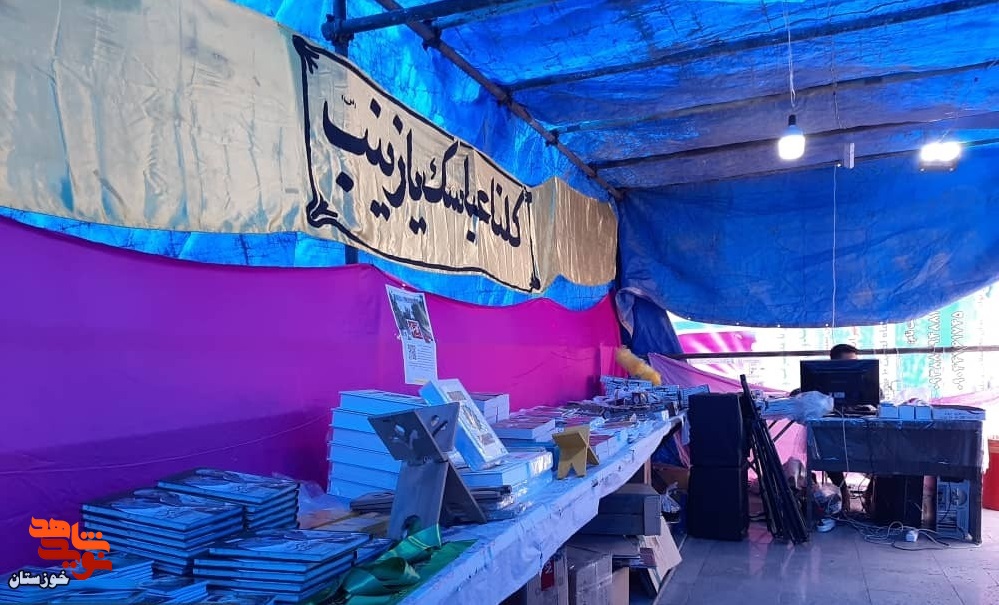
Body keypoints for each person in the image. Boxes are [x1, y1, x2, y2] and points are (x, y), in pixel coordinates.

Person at [826, 343, 858, 512]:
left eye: (856, 363)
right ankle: (844, 491)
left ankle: (873, 492)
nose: (853, 368)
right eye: (848, 363)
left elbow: (878, 396)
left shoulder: (864, 380)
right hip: (833, 434)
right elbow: (800, 392)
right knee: (826, 449)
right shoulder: (823, 380)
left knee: (886, 448)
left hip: (861, 432)